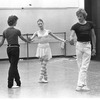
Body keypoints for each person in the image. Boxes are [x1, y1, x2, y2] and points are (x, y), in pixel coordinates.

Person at [29, 19, 66, 83]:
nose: (40, 25)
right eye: (39, 24)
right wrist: (29, 40)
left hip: (46, 48)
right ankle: (45, 78)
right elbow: (30, 39)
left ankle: (40, 78)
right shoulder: (36, 33)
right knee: (43, 65)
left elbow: (55, 37)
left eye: (41, 23)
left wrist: (62, 40)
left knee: (44, 64)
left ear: (43, 23)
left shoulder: (48, 31)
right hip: (40, 48)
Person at [69, 9, 96, 91]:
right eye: (78, 16)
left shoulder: (90, 24)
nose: (79, 18)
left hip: (88, 45)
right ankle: (84, 85)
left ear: (84, 16)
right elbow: (72, 35)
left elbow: (93, 36)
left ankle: (79, 85)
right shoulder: (75, 26)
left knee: (84, 66)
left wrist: (94, 48)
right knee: (80, 66)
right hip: (79, 46)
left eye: (80, 16)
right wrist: (71, 39)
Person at [0, 15, 29, 88]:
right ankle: (10, 83)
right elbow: (23, 39)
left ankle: (18, 82)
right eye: (16, 21)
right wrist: (28, 41)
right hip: (15, 49)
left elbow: (1, 43)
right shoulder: (17, 31)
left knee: (14, 65)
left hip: (9, 49)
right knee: (13, 66)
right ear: (14, 21)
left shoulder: (5, 31)